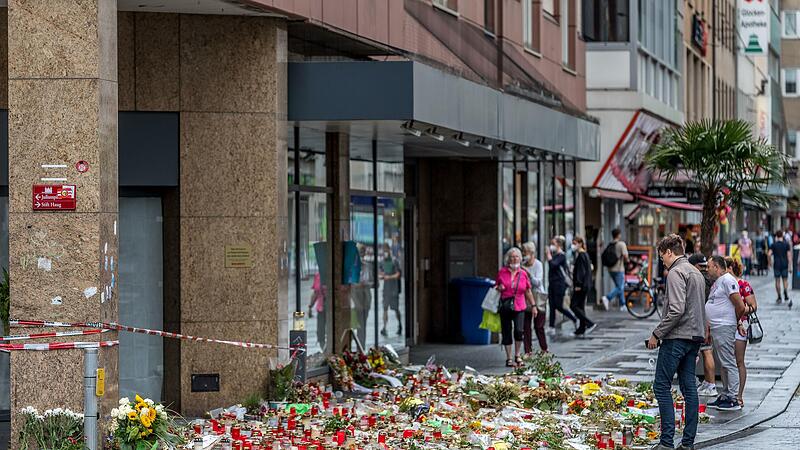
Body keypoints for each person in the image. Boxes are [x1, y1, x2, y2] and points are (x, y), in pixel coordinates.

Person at [647, 234, 706, 450]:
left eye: (663, 257)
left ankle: (666, 442)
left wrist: (657, 334)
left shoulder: (675, 272)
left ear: (670, 252)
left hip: (677, 337)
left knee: (661, 386)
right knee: (689, 388)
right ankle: (688, 442)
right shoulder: (696, 272)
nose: (663, 262)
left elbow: (676, 310)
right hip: (695, 337)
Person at [705, 256, 746, 411]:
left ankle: (733, 398)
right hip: (718, 327)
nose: (707, 270)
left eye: (709, 266)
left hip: (724, 326)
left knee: (729, 361)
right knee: (724, 363)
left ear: (717, 267)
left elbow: (740, 305)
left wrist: (735, 321)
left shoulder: (728, 280)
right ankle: (726, 393)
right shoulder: (718, 282)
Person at [724, 256, 758, 407]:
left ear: (730, 268)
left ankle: (739, 395)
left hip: (741, 326)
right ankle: (727, 393)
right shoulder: (722, 284)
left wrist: (742, 309)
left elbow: (754, 306)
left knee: (738, 361)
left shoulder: (743, 285)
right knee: (726, 361)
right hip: (725, 324)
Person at [495, 247, 536, 367]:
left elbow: (528, 290)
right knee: (506, 331)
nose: (514, 259)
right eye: (512, 257)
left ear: (520, 258)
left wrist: (533, 305)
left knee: (519, 331)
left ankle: (517, 355)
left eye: (516, 256)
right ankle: (508, 358)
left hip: (519, 305)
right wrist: (499, 287)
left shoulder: (523, 273)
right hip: (506, 306)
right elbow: (496, 286)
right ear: (508, 259)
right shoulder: (502, 272)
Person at [689, 253, 718, 398]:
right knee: (707, 351)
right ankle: (708, 382)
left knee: (706, 351)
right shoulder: (709, 279)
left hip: (703, 320)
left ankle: (711, 384)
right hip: (706, 320)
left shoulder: (699, 279)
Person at [545, 236, 578, 333]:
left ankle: (574, 318)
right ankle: (551, 327)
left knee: (558, 305)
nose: (552, 246)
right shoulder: (555, 255)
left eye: (553, 244)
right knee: (552, 305)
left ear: (559, 245)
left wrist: (549, 257)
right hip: (552, 283)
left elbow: (553, 265)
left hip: (559, 284)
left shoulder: (561, 256)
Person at [521, 242, 548, 353]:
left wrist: (528, 274)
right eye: (523, 252)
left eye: (525, 252)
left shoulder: (538, 264)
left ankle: (544, 349)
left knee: (539, 326)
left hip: (538, 297)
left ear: (532, 253)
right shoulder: (521, 265)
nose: (524, 255)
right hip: (525, 297)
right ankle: (528, 351)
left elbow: (538, 282)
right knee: (526, 326)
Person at [571, 236, 597, 337]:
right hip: (585, 285)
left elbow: (581, 272)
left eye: (575, 243)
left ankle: (588, 323)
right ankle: (581, 328)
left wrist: (578, 284)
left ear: (580, 243)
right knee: (580, 306)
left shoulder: (581, 255)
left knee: (573, 305)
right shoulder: (584, 255)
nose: (573, 245)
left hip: (581, 286)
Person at [601, 228, 629, 311]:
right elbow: (625, 256)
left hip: (610, 269)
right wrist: (628, 261)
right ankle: (607, 298)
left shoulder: (610, 244)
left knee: (619, 286)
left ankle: (623, 305)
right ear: (619, 235)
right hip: (619, 269)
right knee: (620, 287)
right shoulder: (621, 244)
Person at [351, 244, 373, 347]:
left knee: (363, 324)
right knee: (357, 324)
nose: (362, 254)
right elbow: (350, 283)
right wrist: (357, 284)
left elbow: (373, 282)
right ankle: (358, 345)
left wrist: (367, 283)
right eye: (360, 252)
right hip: (357, 298)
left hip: (366, 297)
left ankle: (361, 345)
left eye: (363, 252)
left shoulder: (368, 265)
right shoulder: (353, 266)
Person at [379, 244, 402, 337]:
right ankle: (384, 327)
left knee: (396, 309)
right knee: (385, 308)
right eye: (383, 250)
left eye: (386, 250)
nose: (385, 252)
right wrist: (382, 275)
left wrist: (388, 277)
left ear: (389, 250)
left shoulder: (394, 261)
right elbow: (380, 271)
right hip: (386, 289)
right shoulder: (382, 262)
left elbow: (398, 274)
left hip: (393, 289)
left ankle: (400, 325)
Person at [769, 230, 792, 306]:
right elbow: (789, 256)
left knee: (777, 281)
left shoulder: (773, 245)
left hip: (777, 264)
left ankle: (779, 296)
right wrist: (790, 266)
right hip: (784, 264)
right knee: (785, 280)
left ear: (776, 236)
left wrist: (770, 263)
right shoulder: (786, 244)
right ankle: (785, 291)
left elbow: (769, 254)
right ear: (782, 235)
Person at [308, 272, 327, 351]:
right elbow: (315, 293)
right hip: (321, 308)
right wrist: (310, 306)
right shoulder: (317, 275)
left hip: (331, 309)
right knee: (320, 331)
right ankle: (324, 349)